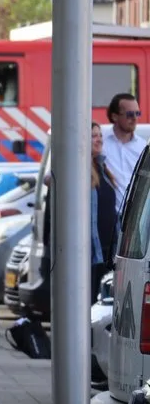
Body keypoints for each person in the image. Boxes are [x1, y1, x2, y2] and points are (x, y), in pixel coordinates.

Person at [91, 122, 119, 303]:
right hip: (94, 252)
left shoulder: (102, 168)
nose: (99, 139)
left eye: (100, 135)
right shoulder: (80, 171)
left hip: (109, 251)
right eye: (94, 136)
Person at [103, 93, 145, 211]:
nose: (135, 118)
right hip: (110, 218)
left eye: (137, 113)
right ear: (115, 116)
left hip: (135, 219)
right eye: (130, 114)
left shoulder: (143, 147)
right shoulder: (101, 143)